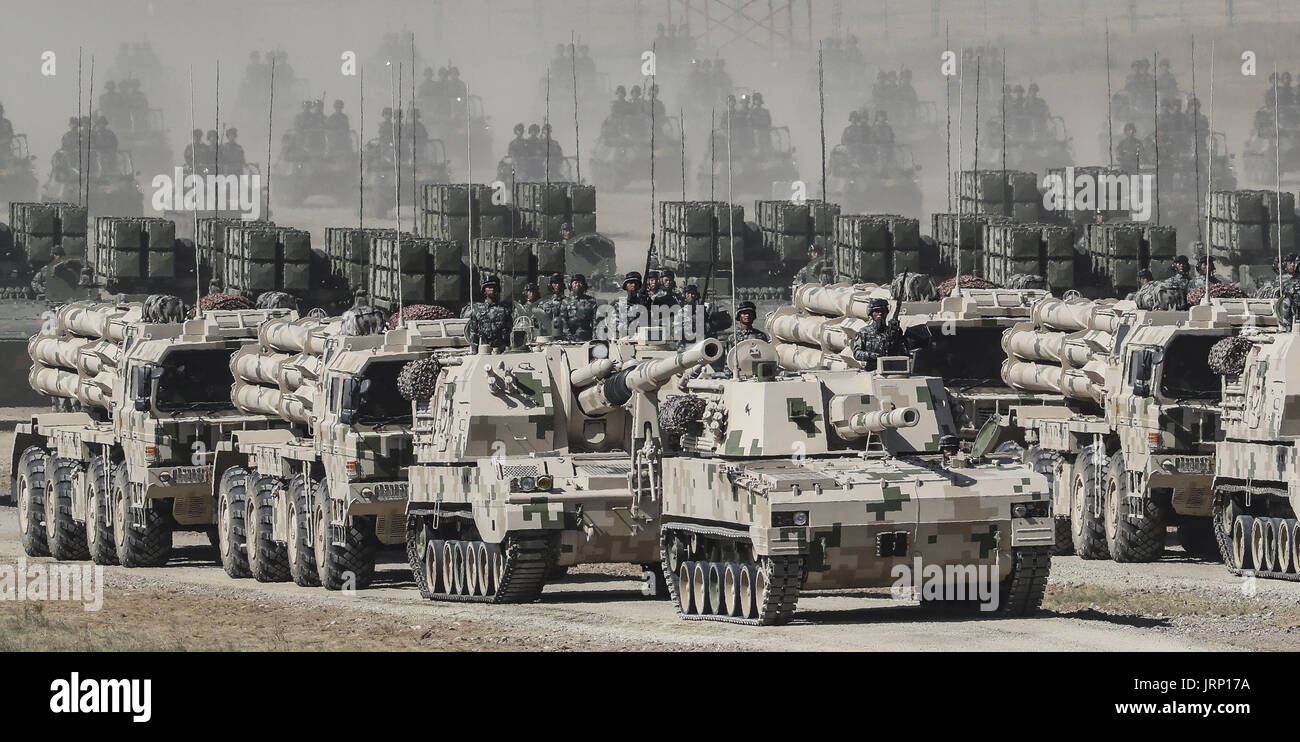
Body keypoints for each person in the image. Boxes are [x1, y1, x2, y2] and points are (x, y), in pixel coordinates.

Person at [850, 298, 906, 368]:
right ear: (871, 313)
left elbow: (903, 351)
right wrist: (870, 355)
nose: (880, 313)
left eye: (883, 311)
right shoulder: (864, 332)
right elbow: (856, 353)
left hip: (892, 369)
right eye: (877, 311)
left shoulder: (893, 331)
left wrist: (896, 335)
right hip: (872, 370)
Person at [466, 275, 513, 351]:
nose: (492, 290)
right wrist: (474, 350)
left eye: (494, 287)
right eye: (489, 287)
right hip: (483, 349)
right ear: (484, 290)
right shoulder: (477, 309)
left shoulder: (505, 309)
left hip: (501, 349)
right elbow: (473, 332)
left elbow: (509, 331)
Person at [558, 274, 598, 341]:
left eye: (580, 282)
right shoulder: (565, 302)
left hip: (586, 337)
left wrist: (595, 338)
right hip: (569, 338)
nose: (577, 285)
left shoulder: (591, 301)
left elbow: (595, 321)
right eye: (575, 282)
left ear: (584, 285)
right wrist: (568, 335)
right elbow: (563, 320)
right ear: (571, 285)